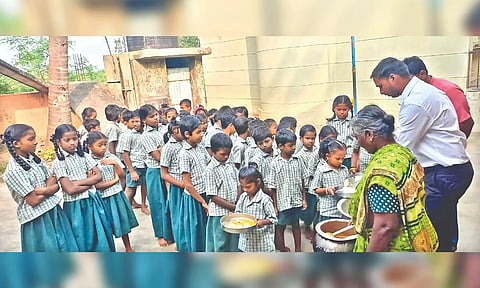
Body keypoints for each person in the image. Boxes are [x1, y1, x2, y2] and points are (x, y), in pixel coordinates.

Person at [370, 57, 473, 252]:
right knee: (443, 222)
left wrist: (376, 171)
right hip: (450, 169)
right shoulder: (419, 93)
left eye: (380, 86)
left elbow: (401, 147)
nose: (381, 92)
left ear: (393, 78)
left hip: (445, 173)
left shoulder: (417, 101)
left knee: (428, 231)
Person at [348, 104, 438, 252]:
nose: (358, 143)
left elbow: (385, 227)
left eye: (358, 137)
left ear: (369, 135)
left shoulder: (382, 175)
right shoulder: (402, 152)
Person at [1, 124, 78, 252]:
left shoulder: (36, 160)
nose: (36, 142)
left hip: (54, 211)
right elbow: (33, 201)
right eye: (31, 139)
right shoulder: (13, 171)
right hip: (37, 220)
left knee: (66, 248)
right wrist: (48, 187)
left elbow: (55, 184)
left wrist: (43, 190)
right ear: (16, 144)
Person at [50, 124, 115, 252]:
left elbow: (98, 177)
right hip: (75, 206)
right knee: (82, 236)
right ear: (58, 142)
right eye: (67, 140)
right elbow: (69, 190)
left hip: (92, 200)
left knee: (100, 232)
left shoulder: (84, 156)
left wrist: (76, 182)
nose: (72, 143)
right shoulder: (59, 163)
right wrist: (89, 182)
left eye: (75, 139)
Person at [85, 131, 139, 252]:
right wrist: (114, 180)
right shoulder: (89, 161)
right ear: (89, 147)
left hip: (116, 195)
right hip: (102, 198)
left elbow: (122, 175)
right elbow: (97, 185)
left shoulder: (111, 157)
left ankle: (128, 247)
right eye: (100, 145)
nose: (104, 147)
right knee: (106, 224)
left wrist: (115, 164)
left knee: (122, 222)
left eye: (105, 144)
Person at [403, 56, 475, 138]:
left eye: (409, 80)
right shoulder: (414, 93)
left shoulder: (449, 90)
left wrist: (456, 144)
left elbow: (466, 122)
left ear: (422, 74)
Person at [267, 129, 307, 252]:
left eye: (294, 145)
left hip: (296, 200)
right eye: (290, 146)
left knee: (296, 224)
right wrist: (275, 206)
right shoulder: (274, 164)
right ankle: (282, 248)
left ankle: (298, 249)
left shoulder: (298, 160)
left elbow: (302, 181)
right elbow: (273, 187)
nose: (294, 148)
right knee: (280, 226)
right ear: (280, 146)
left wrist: (304, 199)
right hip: (282, 201)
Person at [139, 104, 174, 247]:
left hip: (168, 170)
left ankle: (170, 232)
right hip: (155, 171)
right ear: (144, 120)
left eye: (156, 115)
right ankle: (160, 234)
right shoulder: (146, 136)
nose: (155, 118)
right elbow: (157, 156)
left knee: (169, 201)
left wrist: (163, 149)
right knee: (157, 203)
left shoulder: (164, 129)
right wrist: (164, 150)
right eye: (151, 116)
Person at [178, 115, 210, 252]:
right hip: (194, 197)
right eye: (198, 132)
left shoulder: (200, 147)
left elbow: (209, 163)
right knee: (197, 229)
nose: (201, 135)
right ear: (187, 134)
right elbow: (188, 184)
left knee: (206, 229)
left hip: (205, 192)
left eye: (202, 131)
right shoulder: (184, 154)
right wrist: (202, 201)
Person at [205, 133, 239, 252]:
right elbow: (213, 196)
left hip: (234, 209)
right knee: (221, 242)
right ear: (213, 152)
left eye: (228, 154)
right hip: (219, 213)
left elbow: (238, 184)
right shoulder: (210, 170)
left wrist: (238, 202)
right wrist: (233, 207)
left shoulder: (230, 164)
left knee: (234, 241)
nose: (226, 157)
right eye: (222, 154)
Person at [235, 166, 277, 252]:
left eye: (248, 187)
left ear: (258, 182)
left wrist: (262, 222)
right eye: (243, 187)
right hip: (246, 244)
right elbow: (238, 211)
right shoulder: (243, 197)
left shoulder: (265, 200)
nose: (245, 190)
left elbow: (274, 219)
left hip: (262, 244)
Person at [310, 138, 349, 226]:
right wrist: (326, 190)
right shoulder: (322, 171)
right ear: (328, 156)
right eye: (337, 159)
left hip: (342, 210)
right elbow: (315, 189)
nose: (340, 161)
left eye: (343, 158)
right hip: (328, 212)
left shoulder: (344, 169)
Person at [160, 116, 186, 250]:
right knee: (177, 216)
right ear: (175, 130)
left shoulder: (185, 143)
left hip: (188, 185)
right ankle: (179, 244)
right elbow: (164, 174)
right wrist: (180, 184)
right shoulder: (168, 148)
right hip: (178, 186)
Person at [119, 110, 149, 215]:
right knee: (130, 188)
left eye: (138, 121)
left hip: (145, 163)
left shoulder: (146, 133)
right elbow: (125, 154)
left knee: (145, 186)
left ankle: (143, 205)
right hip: (135, 165)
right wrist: (131, 171)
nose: (135, 124)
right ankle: (124, 211)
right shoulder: (128, 135)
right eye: (133, 121)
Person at [296, 124, 319, 240]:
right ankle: (306, 226)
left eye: (313, 138)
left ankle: (314, 228)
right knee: (308, 209)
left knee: (315, 208)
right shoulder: (299, 155)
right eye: (307, 138)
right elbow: (302, 174)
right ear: (301, 139)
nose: (311, 141)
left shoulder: (317, 151)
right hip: (307, 186)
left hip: (317, 184)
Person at [326, 95, 356, 169]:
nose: (341, 112)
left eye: (344, 109)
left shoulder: (354, 122)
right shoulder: (330, 123)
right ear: (334, 109)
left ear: (349, 109)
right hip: (334, 156)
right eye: (339, 109)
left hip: (349, 157)